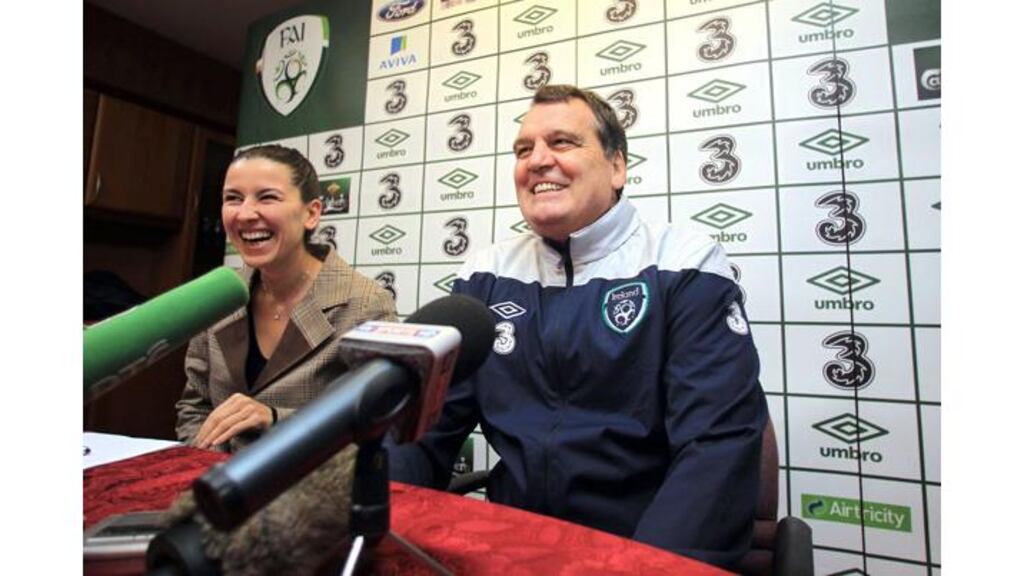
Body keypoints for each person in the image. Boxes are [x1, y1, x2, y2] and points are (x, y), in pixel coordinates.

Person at [389, 85, 768, 571]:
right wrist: (384, 517)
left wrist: (642, 569)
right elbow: (427, 430)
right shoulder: (485, 274)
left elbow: (715, 447)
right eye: (524, 149)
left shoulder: (687, 263)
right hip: (508, 549)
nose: (537, 161)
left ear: (617, 166)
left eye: (562, 143)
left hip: (637, 549)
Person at [176, 145, 396, 451]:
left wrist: (275, 419)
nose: (245, 213)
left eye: (267, 197)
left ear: (312, 213)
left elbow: (378, 425)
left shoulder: (365, 304)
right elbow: (194, 407)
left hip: (314, 491)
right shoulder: (218, 297)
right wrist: (212, 471)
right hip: (220, 488)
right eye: (233, 198)